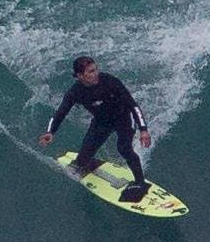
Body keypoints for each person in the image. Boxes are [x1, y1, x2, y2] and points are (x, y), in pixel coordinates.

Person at [39, 54, 152, 200]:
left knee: (124, 148)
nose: (96, 74)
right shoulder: (76, 92)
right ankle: (85, 162)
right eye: (91, 72)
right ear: (80, 75)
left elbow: (133, 105)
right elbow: (61, 112)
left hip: (123, 118)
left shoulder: (110, 82)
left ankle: (140, 183)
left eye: (96, 69)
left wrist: (143, 129)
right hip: (101, 121)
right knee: (82, 158)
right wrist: (51, 131)